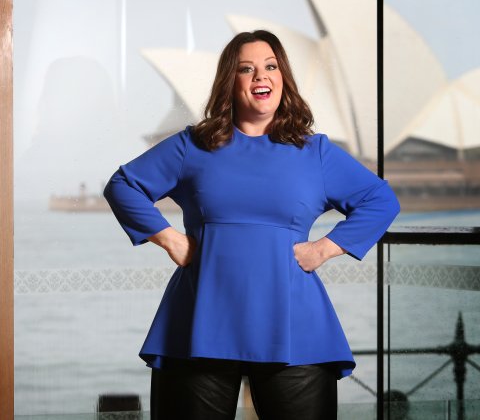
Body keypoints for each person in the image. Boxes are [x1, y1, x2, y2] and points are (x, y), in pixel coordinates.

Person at [103, 30, 400, 420]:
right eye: (247, 69)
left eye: (271, 66)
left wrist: (324, 249)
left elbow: (380, 200)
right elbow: (123, 185)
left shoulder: (316, 153)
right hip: (199, 324)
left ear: (283, 79)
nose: (261, 76)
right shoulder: (192, 145)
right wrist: (171, 240)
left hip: (297, 329)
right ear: (231, 81)